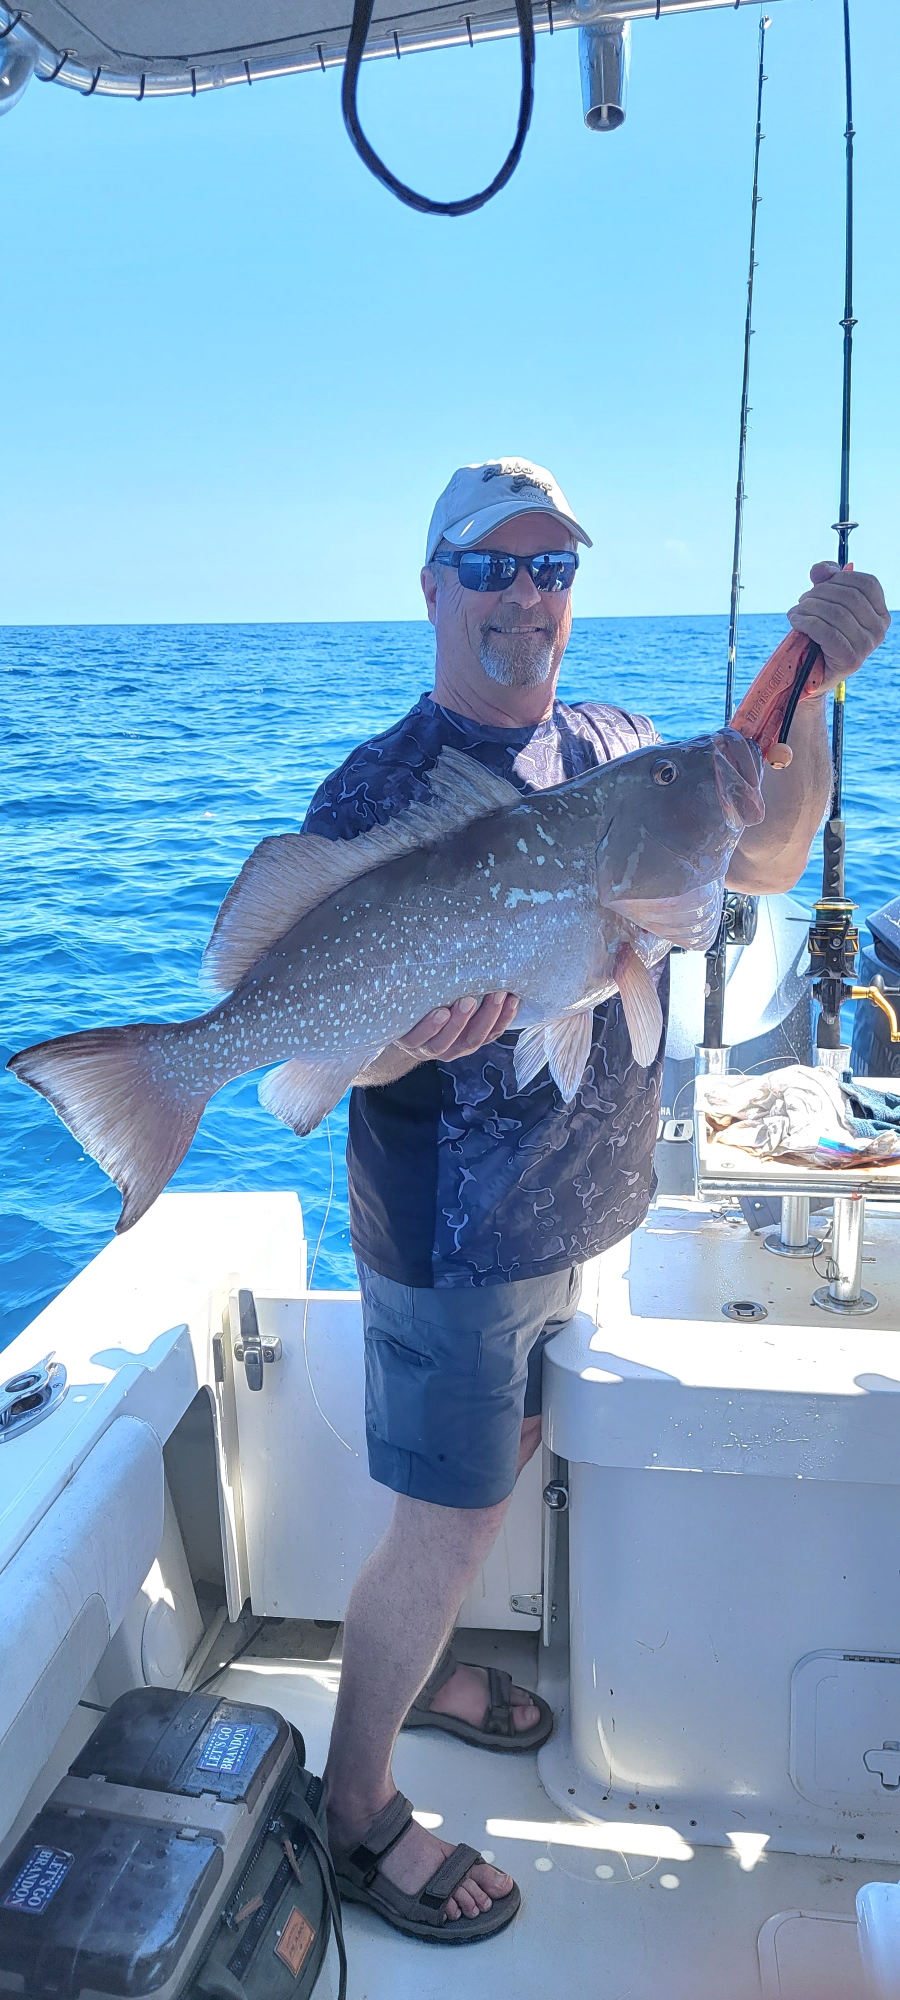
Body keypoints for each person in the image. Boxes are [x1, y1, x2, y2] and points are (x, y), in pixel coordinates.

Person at [309, 458, 890, 1943]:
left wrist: (809, 685)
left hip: (588, 1207)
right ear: (433, 585)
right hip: (455, 1238)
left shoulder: (624, 744)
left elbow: (757, 844)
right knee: (445, 1523)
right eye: (490, 569)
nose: (524, 599)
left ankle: (432, 1673)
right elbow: (334, 1045)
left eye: (551, 568)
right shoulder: (378, 792)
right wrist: (401, 1034)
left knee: (503, 1462)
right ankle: (354, 1809)